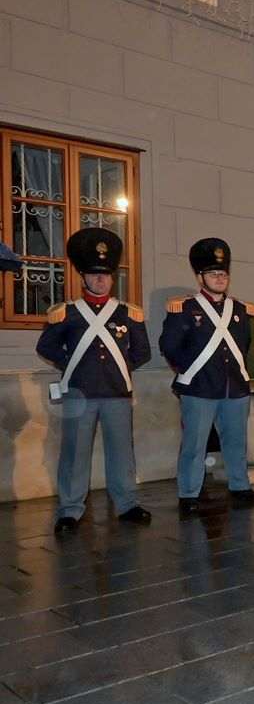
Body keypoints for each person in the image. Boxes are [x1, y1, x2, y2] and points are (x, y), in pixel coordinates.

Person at [37, 227, 151, 533]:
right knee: (74, 453)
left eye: (105, 275)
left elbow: (142, 352)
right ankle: (70, 509)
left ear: (112, 278)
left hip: (116, 393)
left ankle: (126, 503)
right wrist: (72, 365)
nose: (100, 280)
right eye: (94, 274)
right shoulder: (67, 313)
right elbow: (46, 347)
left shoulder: (128, 314)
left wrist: (119, 367)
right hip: (79, 393)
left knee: (122, 451)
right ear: (83, 277)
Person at [161, 238, 254, 515]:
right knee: (194, 444)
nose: (219, 278)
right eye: (213, 273)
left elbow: (243, 344)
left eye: (223, 273)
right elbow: (169, 346)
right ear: (200, 277)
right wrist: (191, 370)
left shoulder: (239, 310)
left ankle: (240, 486)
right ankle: (189, 493)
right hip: (199, 387)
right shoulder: (184, 309)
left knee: (236, 441)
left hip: (234, 387)